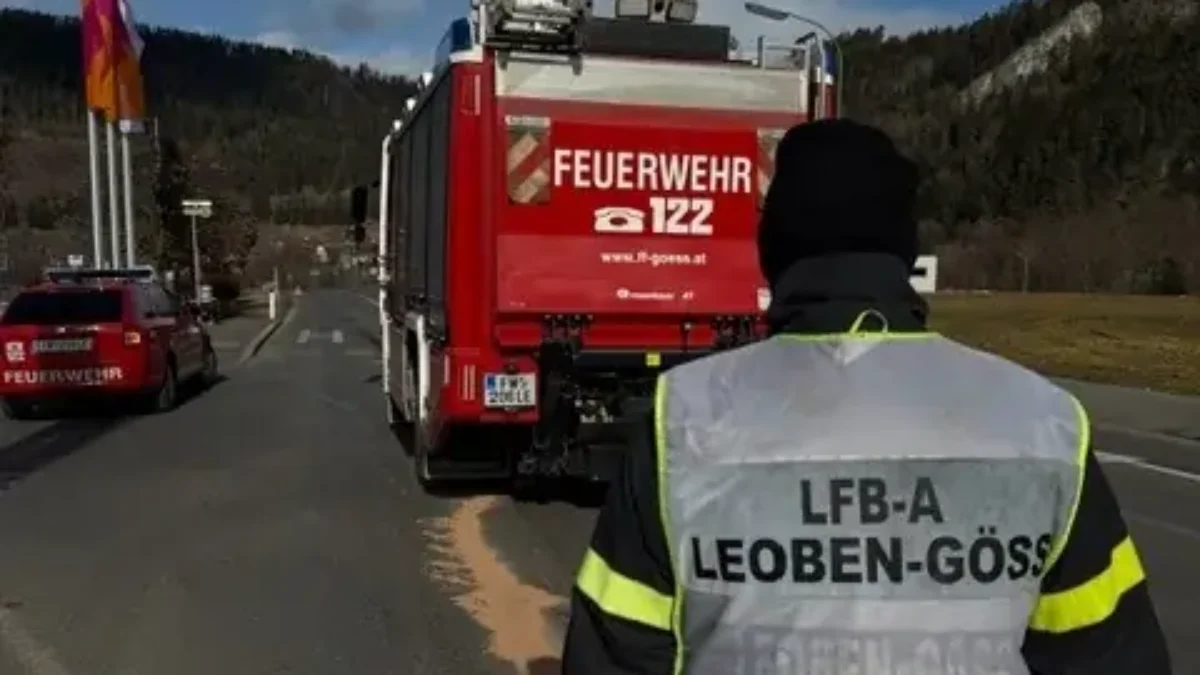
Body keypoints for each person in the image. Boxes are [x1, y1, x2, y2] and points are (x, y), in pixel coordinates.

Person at [560, 119, 1171, 674]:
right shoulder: (1044, 420)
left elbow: (617, 651)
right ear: (903, 252)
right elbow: (1112, 654)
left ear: (773, 252)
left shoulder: (684, 415)